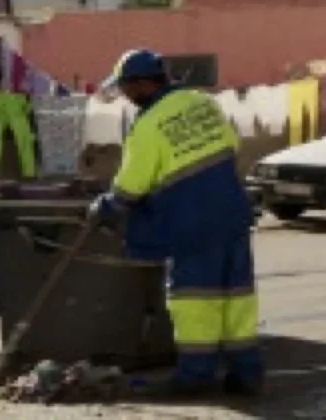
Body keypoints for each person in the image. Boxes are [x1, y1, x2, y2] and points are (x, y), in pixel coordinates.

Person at [88, 49, 263, 397]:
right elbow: (232, 144)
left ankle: (196, 377)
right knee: (237, 296)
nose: (124, 96)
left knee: (195, 301)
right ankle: (247, 374)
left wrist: (106, 206)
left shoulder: (149, 124)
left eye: (124, 88)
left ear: (140, 84)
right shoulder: (203, 103)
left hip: (191, 222)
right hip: (232, 213)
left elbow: (132, 185)